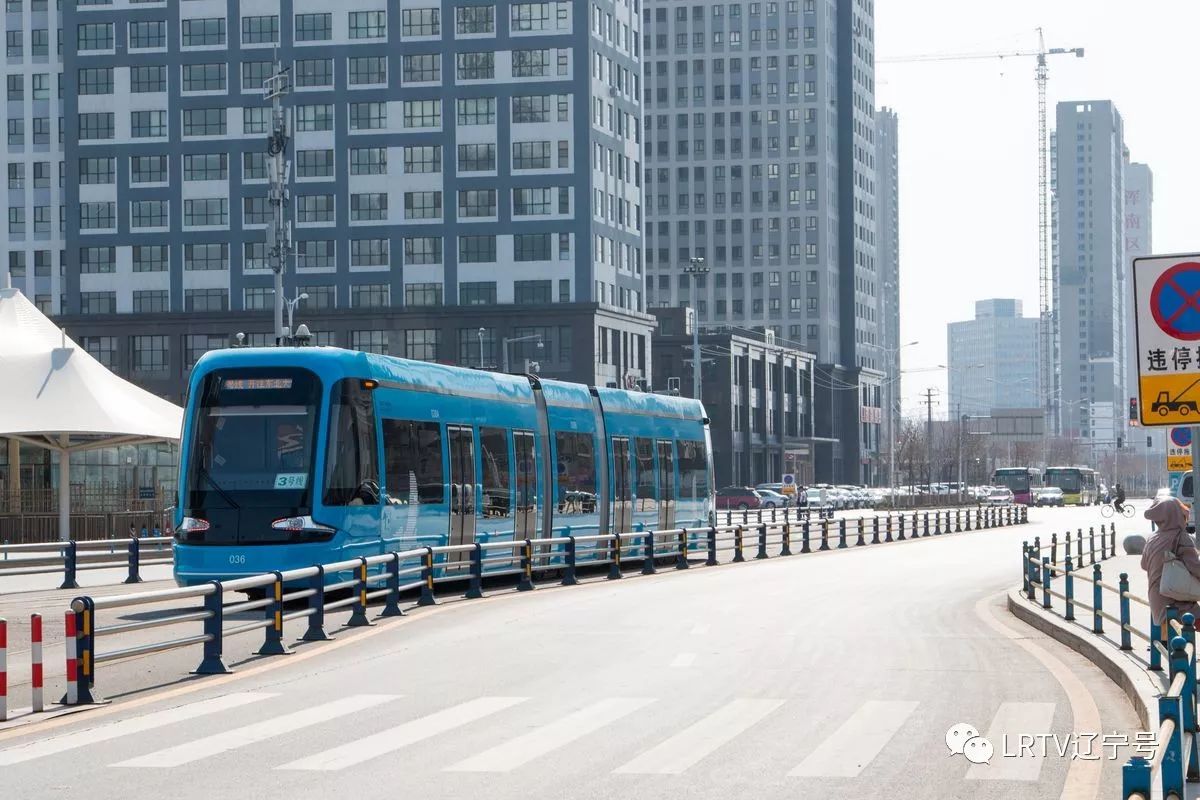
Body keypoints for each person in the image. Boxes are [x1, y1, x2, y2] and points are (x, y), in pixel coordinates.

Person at [1141, 497, 1200, 631]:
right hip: (1176, 601)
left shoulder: (1153, 537)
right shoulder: (1180, 536)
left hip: (1157, 601)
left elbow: (1144, 565)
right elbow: (1195, 567)